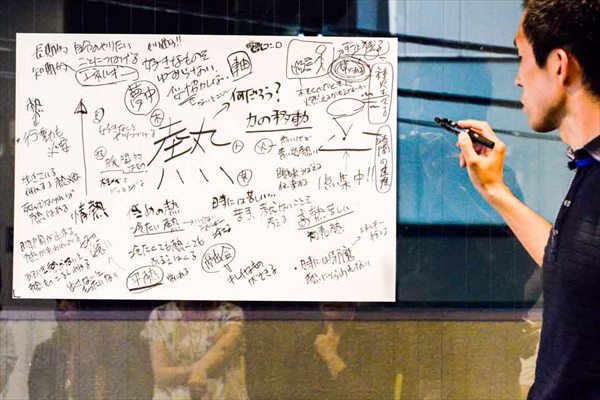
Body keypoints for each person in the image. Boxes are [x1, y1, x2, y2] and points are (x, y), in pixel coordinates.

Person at [455, 0, 599, 398]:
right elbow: (574, 265)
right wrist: (495, 190)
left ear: (559, 65)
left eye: (521, 57)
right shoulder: (589, 167)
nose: (518, 79)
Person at [141, 301, 248, 400]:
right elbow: (161, 375)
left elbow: (225, 346)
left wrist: (200, 368)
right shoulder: (160, 315)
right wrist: (198, 371)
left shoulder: (231, 312)